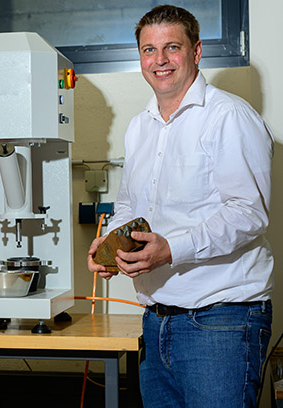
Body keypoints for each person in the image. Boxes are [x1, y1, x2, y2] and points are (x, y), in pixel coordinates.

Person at [87, 5, 274, 407]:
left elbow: (249, 211)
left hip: (220, 321)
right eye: (149, 50)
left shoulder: (230, 117)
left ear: (196, 51)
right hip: (156, 323)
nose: (160, 61)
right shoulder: (140, 126)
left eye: (172, 47)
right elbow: (128, 205)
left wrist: (172, 249)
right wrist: (110, 246)